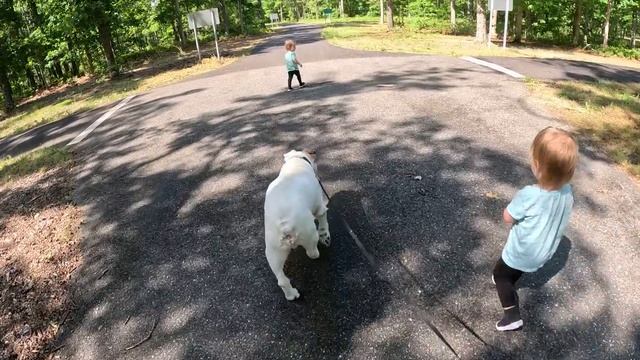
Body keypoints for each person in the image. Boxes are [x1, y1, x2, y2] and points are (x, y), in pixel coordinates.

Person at [493, 127, 579, 331]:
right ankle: (512, 279)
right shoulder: (567, 192)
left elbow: (507, 217)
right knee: (515, 269)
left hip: (521, 252)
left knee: (499, 275)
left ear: (538, 165)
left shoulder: (530, 195)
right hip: (542, 253)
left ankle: (512, 315)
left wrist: (510, 210)